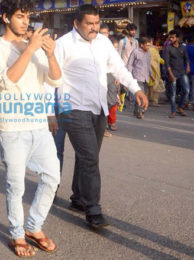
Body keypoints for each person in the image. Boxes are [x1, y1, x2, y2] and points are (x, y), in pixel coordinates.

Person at [55, 4, 148, 228]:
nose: (94, 28)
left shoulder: (103, 42)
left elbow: (118, 68)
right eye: (89, 24)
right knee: (89, 158)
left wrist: (136, 89)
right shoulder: (63, 44)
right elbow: (51, 78)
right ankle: (93, 210)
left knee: (86, 156)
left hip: (99, 108)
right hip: (72, 108)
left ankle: (78, 198)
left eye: (97, 23)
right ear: (77, 23)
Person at [0, 0, 62, 257]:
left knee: (52, 177)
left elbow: (55, 79)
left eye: (28, 17)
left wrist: (50, 54)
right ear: (6, 18)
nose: (25, 22)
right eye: (20, 16)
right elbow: (7, 81)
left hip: (38, 123)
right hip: (11, 126)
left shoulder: (36, 47)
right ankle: (17, 234)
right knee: (15, 185)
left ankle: (34, 227)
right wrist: (30, 49)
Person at [164, 30, 191, 118]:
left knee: (186, 90)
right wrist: (170, 74)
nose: (171, 39)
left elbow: (186, 58)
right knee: (173, 93)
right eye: (170, 37)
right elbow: (167, 63)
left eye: (173, 37)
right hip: (173, 72)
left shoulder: (183, 47)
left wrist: (188, 66)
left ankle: (180, 107)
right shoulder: (168, 48)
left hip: (182, 72)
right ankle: (173, 111)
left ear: (177, 38)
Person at [127, 37, 153, 119]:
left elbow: (148, 65)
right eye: (147, 45)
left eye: (149, 45)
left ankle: (136, 110)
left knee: (142, 94)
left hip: (145, 77)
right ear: (142, 45)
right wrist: (129, 75)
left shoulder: (148, 53)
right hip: (137, 77)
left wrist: (151, 75)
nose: (149, 47)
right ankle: (139, 112)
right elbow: (129, 64)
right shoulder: (135, 52)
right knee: (141, 95)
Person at [148, 38, 165, 107]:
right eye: (161, 47)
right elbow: (153, 60)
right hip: (152, 72)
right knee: (152, 88)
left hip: (153, 72)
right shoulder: (152, 50)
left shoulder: (155, 50)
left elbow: (158, 59)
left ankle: (151, 101)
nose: (161, 48)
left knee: (151, 87)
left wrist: (163, 61)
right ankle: (152, 101)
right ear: (159, 45)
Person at [185, 35, 194, 110]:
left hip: (185, 69)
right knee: (192, 87)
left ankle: (186, 102)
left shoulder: (184, 48)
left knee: (185, 87)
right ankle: (192, 102)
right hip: (193, 70)